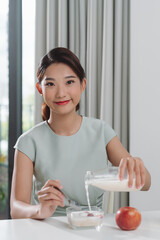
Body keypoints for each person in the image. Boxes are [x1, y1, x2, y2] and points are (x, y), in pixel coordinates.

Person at [10, 47, 151, 219]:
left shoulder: (101, 131)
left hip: (94, 228)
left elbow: (146, 184)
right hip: (47, 228)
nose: (61, 93)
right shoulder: (28, 142)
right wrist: (40, 210)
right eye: (50, 84)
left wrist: (137, 168)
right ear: (40, 89)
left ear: (82, 85)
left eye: (69, 82)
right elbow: (16, 208)